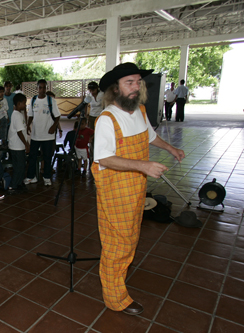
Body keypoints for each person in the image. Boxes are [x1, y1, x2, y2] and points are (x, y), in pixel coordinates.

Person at [92, 63, 185, 315]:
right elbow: (104, 158)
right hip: (115, 191)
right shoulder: (106, 119)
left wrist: (170, 148)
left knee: (130, 239)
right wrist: (143, 166)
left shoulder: (141, 111)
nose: (135, 88)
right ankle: (115, 298)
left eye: (137, 82)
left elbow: (150, 136)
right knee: (117, 245)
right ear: (115, 88)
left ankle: (117, 281)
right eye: (129, 83)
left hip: (135, 189)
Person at [25, 79, 61, 186]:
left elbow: (58, 116)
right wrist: (28, 125)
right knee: (32, 156)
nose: (42, 90)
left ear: (46, 88)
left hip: (48, 135)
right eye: (40, 87)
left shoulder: (51, 101)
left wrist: (53, 127)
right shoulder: (33, 100)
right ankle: (31, 177)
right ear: (37, 88)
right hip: (36, 135)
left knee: (47, 157)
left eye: (44, 87)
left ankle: (47, 177)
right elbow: (31, 115)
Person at [8, 93, 29, 193]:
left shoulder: (18, 114)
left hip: (18, 146)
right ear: (19, 103)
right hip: (17, 146)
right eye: (24, 103)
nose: (25, 105)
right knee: (19, 167)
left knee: (21, 166)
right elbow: (19, 132)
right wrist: (26, 144)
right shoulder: (17, 115)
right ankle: (13, 186)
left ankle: (19, 183)